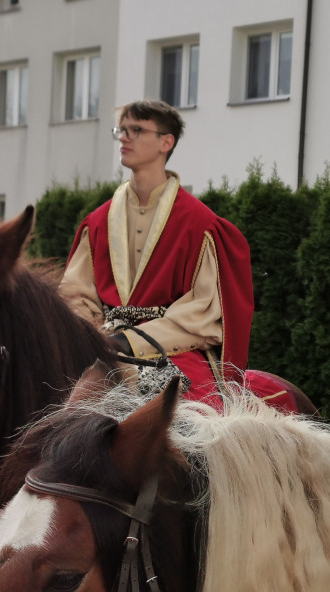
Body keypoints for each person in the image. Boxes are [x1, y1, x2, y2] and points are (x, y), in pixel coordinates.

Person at [59, 99, 254, 402]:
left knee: (184, 418)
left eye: (136, 130)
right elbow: (76, 293)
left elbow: (201, 310)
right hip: (100, 344)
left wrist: (129, 340)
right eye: (121, 130)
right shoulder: (97, 222)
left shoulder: (200, 224)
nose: (124, 137)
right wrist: (91, 336)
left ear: (166, 142)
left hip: (172, 347)